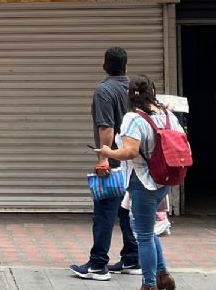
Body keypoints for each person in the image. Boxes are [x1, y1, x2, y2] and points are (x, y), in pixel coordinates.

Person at [98, 75, 180, 290]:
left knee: (143, 235)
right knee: (147, 230)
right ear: (153, 91)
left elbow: (130, 151)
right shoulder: (168, 115)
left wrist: (108, 152)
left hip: (143, 181)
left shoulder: (133, 118)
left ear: (129, 95)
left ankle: (149, 284)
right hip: (164, 179)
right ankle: (163, 275)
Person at [70, 47, 139, 281]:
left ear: (104, 66)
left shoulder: (104, 90)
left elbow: (106, 127)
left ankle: (98, 265)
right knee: (126, 209)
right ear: (126, 67)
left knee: (104, 211)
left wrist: (103, 159)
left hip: (115, 161)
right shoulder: (135, 89)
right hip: (134, 162)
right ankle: (132, 258)